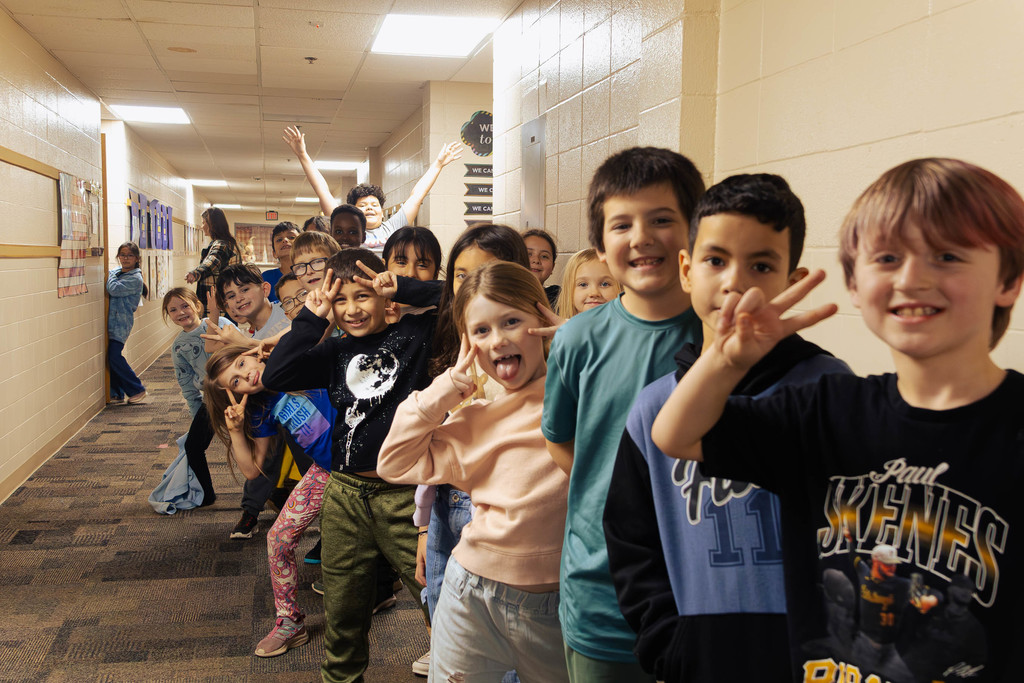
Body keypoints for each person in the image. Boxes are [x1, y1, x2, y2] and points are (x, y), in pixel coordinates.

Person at [651, 158, 1024, 681]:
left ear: (1007, 279)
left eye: (947, 255)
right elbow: (676, 435)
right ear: (855, 283)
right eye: (888, 257)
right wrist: (726, 360)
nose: (913, 278)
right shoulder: (827, 409)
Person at [603, 174, 851, 681]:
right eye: (716, 261)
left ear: (792, 279)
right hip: (700, 655)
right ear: (688, 270)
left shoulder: (828, 389)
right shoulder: (654, 408)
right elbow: (632, 543)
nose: (736, 281)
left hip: (814, 654)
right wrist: (668, 644)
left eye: (761, 265)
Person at [542, 147, 705, 682]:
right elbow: (560, 439)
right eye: (622, 224)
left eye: (663, 219)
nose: (642, 237)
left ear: (694, 230)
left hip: (705, 583)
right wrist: (622, 496)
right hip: (602, 588)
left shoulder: (723, 337)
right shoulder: (577, 339)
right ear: (600, 245)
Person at [378, 261, 570, 682]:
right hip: (471, 593)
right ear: (469, 344)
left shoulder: (577, 394)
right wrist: (445, 389)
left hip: (556, 604)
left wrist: (580, 343)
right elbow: (393, 462)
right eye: (481, 331)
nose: (497, 339)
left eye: (512, 321)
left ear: (543, 319)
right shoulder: (477, 418)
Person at [260, 248, 437, 683]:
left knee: (440, 598)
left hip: (404, 496)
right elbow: (276, 376)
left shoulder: (415, 336)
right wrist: (312, 319)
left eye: (362, 296)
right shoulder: (335, 352)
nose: (353, 309)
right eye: (341, 301)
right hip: (345, 493)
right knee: (342, 610)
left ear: (382, 296)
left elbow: (463, 297)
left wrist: (405, 286)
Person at [205, 344, 335, 659]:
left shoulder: (297, 362)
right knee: (278, 538)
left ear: (254, 354)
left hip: (370, 462)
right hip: (326, 472)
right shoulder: (262, 406)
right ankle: (290, 621)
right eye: (235, 382)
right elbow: (252, 470)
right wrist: (236, 431)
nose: (246, 374)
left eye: (241, 363)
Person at [283, 125, 462, 248]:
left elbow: (417, 196)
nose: (369, 208)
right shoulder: (344, 230)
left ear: (382, 212)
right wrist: (302, 155)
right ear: (353, 212)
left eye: (374, 205)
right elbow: (323, 192)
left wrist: (438, 164)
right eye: (362, 206)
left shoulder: (392, 227)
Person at [214, 263, 292, 539]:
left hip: (310, 394)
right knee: (265, 446)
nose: (239, 298)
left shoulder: (287, 306)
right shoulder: (240, 337)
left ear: (265, 289)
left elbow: (299, 342)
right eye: (231, 296)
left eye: (245, 289)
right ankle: (251, 509)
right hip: (270, 400)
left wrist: (241, 343)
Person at [163, 287, 237, 505]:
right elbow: (186, 385)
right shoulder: (178, 347)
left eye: (185, 305)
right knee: (193, 446)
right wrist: (198, 418)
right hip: (212, 400)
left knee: (250, 445)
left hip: (239, 393)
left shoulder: (220, 324)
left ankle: (267, 495)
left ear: (197, 305)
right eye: (173, 310)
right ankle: (207, 494)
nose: (180, 312)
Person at [107, 241, 149, 405]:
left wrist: (108, 274)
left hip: (121, 324)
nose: (125, 258)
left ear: (136, 258)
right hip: (112, 322)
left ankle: (136, 388)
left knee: (114, 356)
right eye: (122, 255)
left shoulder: (135, 278)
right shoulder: (118, 272)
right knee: (111, 358)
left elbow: (114, 289)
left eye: (129, 255)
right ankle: (117, 392)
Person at [186, 207, 241, 313]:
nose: (202, 227)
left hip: (219, 307)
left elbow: (212, 261)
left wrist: (196, 273)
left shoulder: (221, 245)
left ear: (211, 224)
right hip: (226, 304)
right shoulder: (227, 242)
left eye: (203, 223)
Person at [553, 248, 620, 319]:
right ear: (569, 292)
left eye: (605, 284)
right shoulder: (564, 329)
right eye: (583, 284)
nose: (594, 293)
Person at [262, 222, 300, 302]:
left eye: (291, 237)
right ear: (274, 253)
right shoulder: (266, 278)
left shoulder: (310, 273)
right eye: (279, 239)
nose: (285, 240)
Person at [523, 228, 560, 307]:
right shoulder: (500, 296)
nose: (536, 260)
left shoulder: (558, 299)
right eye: (529, 254)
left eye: (544, 256)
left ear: (553, 267)